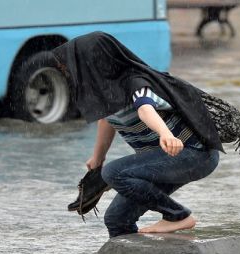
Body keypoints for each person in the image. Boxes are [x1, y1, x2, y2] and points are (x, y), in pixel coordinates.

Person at [49, 32, 225, 237]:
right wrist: (98, 158)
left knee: (113, 173)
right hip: (164, 159)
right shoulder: (105, 91)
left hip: (194, 153)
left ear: (93, 62)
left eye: (72, 65)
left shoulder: (135, 81)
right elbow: (106, 120)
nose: (70, 71)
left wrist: (165, 133)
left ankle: (177, 216)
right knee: (116, 218)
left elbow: (144, 108)